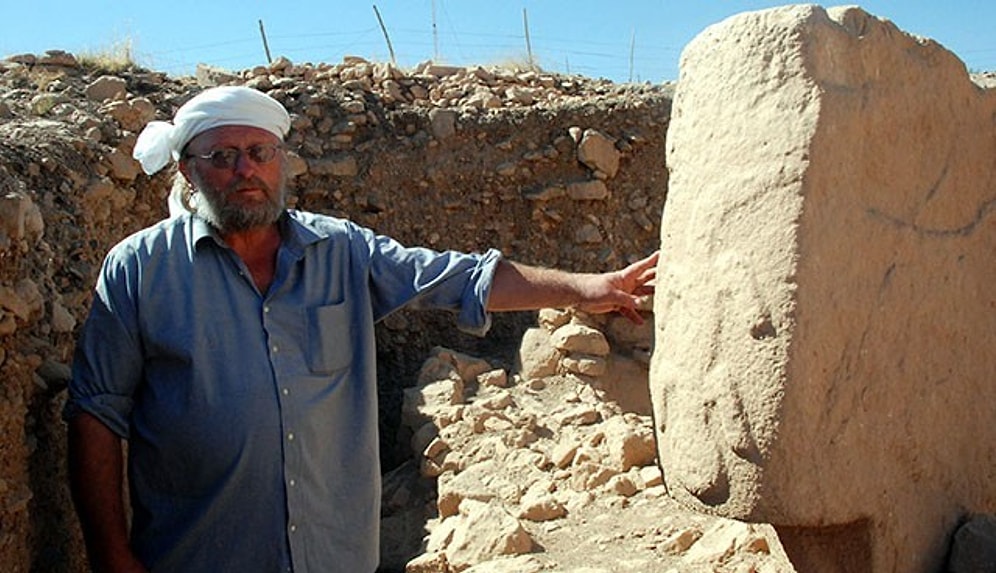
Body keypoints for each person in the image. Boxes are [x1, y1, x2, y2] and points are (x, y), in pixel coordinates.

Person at [65, 86, 658, 573]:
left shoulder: (342, 250)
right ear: (187, 171)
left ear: (282, 163)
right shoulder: (140, 269)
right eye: (222, 157)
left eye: (260, 152)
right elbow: (96, 414)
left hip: (333, 555)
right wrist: (112, 556)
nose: (246, 170)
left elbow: (460, 279)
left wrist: (590, 288)